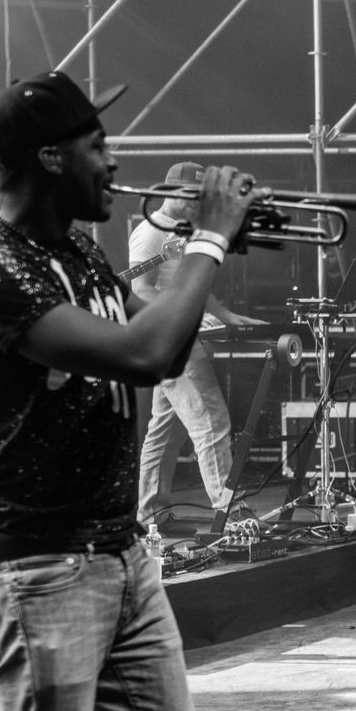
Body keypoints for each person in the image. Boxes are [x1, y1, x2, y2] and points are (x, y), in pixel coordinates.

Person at [0, 70, 263, 711]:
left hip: (123, 554)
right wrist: (206, 237)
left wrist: (216, 249)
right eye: (98, 145)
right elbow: (139, 353)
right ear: (52, 158)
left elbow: (166, 349)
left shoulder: (80, 253)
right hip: (42, 566)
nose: (116, 163)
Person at [131, 161, 265, 528]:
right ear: (170, 191)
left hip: (182, 337)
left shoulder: (185, 230)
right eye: (190, 196)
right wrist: (181, 316)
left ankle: (150, 514)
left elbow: (196, 284)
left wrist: (224, 314)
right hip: (175, 340)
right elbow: (140, 290)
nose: (196, 204)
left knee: (166, 431)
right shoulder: (150, 232)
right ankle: (232, 512)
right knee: (211, 420)